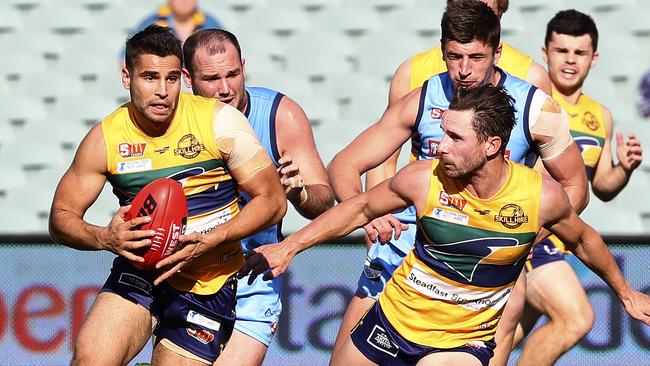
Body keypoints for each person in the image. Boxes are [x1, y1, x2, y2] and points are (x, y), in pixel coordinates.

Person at [240, 85, 650, 366]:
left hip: (460, 342)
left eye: (455, 137)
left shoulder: (540, 197)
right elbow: (359, 209)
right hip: (393, 320)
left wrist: (626, 293)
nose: (440, 145)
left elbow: (584, 240)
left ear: (492, 146)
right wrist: (288, 247)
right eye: (442, 133)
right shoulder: (424, 178)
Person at [325, 1, 590, 361]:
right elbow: (347, 162)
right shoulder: (422, 92)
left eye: (476, 58)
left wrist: (522, 238)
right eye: (455, 57)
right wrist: (367, 212)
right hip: (405, 251)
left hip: (484, 273)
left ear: (497, 51)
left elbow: (575, 187)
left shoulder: (533, 101)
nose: (464, 70)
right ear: (443, 51)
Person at [48, 25, 286, 365]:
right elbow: (61, 218)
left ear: (182, 78)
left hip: (208, 283)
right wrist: (104, 237)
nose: (162, 91)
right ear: (126, 77)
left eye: (171, 78)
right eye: (150, 77)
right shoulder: (106, 139)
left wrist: (212, 238)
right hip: (140, 272)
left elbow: (273, 200)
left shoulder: (220, 122)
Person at [181, 29, 335, 365]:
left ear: (244, 67)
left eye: (233, 74)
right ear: (187, 78)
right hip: (192, 274)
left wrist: (299, 193)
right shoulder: (173, 123)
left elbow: (325, 201)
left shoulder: (281, 115)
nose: (226, 89)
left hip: (254, 275)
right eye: (211, 78)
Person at [512, 10, 644, 366]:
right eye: (562, 50)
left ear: (593, 58)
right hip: (529, 238)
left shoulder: (599, 115)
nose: (570, 60)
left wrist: (624, 168)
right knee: (577, 317)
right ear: (545, 53)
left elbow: (601, 186)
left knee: (494, 343)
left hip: (561, 242)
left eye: (579, 52)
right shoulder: (531, 104)